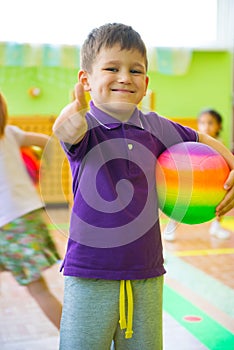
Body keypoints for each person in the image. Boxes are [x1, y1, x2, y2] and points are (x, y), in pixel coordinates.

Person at [53, 23, 234, 350]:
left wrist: (232, 166)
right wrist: (74, 110)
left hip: (147, 274)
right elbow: (67, 130)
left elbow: (203, 139)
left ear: (146, 82)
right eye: (112, 68)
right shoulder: (87, 126)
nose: (125, 77)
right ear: (86, 81)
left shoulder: (155, 126)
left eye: (135, 70)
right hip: (89, 274)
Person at [0, 92, 62, 329]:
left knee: (39, 290)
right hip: (27, 217)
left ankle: (78, 343)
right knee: (40, 290)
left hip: (9, 224)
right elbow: (47, 142)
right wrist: (43, 166)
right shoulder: (11, 134)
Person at [163, 108, 231, 241]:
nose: (206, 126)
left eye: (210, 123)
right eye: (202, 122)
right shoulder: (195, 141)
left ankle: (216, 226)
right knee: (179, 199)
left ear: (219, 126)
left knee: (224, 200)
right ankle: (171, 226)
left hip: (212, 182)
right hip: (192, 180)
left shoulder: (220, 144)